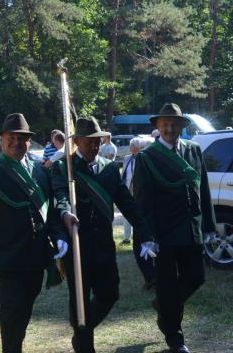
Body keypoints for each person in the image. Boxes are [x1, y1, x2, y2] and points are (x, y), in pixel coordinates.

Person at [52, 117, 156, 353]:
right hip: (77, 246)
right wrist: (65, 212)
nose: (95, 146)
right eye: (89, 142)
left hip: (104, 246)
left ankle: (81, 333)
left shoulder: (109, 168)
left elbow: (127, 203)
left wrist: (146, 232)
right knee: (79, 301)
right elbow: (60, 195)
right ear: (77, 141)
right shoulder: (64, 167)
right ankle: (84, 343)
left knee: (110, 294)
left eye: (98, 141)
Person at [0, 113, 69, 353]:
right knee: (13, 309)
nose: (16, 142)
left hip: (35, 256)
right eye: (10, 137)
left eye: (21, 138)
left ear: (28, 141)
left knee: (24, 309)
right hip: (6, 257)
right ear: (2, 140)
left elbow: (51, 210)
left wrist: (60, 236)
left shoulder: (41, 171)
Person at [133, 103, 217, 353]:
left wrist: (209, 224)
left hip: (192, 229)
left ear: (181, 126)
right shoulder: (147, 157)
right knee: (169, 285)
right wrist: (147, 236)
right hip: (164, 233)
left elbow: (203, 189)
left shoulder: (193, 150)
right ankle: (175, 339)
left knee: (196, 278)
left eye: (174, 124)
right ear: (158, 127)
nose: (170, 128)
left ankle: (163, 306)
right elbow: (142, 201)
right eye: (165, 124)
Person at [121, 136, 156, 290]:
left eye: (134, 146)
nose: (131, 149)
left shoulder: (150, 160)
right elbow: (125, 179)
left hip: (150, 206)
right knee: (138, 243)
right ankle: (149, 277)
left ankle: (154, 277)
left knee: (149, 241)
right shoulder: (128, 159)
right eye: (131, 146)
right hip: (132, 201)